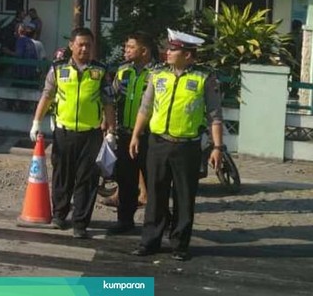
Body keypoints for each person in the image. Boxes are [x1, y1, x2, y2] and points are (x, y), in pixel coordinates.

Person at [129, 29, 223, 261]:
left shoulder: (204, 78)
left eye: (173, 49)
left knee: (184, 196)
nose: (167, 53)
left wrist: (217, 147)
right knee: (155, 195)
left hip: (187, 147)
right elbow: (145, 108)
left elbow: (215, 116)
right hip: (158, 143)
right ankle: (149, 241)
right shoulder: (158, 74)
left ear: (188, 55)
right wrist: (135, 135)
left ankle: (180, 244)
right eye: (169, 48)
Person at [30, 27, 116, 239]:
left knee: (87, 180)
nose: (84, 48)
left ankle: (80, 222)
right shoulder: (58, 69)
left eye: (88, 45)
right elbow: (47, 95)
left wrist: (111, 131)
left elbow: (108, 103)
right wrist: (36, 122)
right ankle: (59, 215)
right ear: (72, 46)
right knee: (62, 175)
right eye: (80, 44)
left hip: (91, 134)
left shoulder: (101, 71)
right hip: (64, 132)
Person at [107, 31, 158, 235]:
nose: (126, 50)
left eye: (131, 47)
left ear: (144, 50)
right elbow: (112, 97)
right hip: (125, 134)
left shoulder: (159, 73)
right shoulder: (123, 71)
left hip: (150, 137)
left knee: (153, 182)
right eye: (126, 47)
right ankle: (124, 220)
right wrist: (107, 124)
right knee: (126, 179)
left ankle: (155, 224)